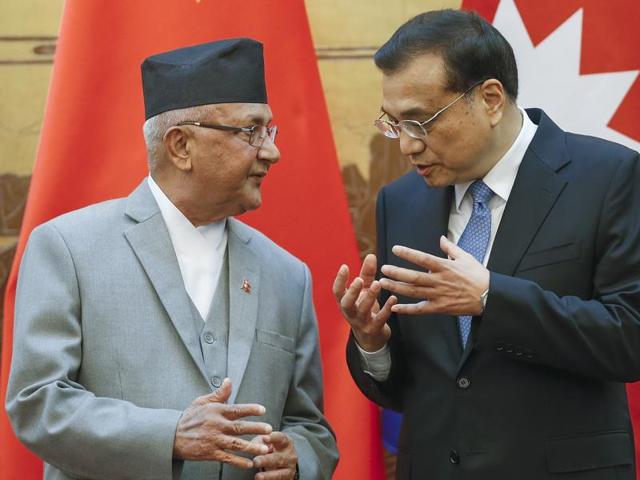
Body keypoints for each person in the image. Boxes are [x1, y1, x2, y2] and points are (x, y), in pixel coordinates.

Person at [6, 38, 337, 480]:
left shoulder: (286, 274)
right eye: (250, 131)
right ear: (180, 146)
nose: (272, 151)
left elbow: (310, 427)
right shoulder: (68, 248)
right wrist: (170, 435)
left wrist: (296, 459)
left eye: (269, 131)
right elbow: (37, 403)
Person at [333, 9, 640, 479]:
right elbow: (417, 387)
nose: (407, 146)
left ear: (491, 99)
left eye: (421, 122)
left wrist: (490, 299)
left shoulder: (608, 177)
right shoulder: (401, 201)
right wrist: (373, 344)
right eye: (394, 124)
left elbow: (629, 338)